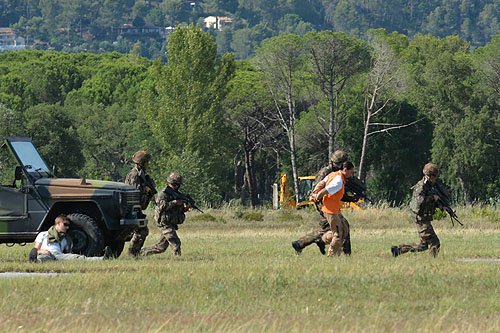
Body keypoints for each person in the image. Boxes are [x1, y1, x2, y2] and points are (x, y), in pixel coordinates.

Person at [291, 150, 354, 255]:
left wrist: (349, 198)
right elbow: (319, 189)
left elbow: (337, 192)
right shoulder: (326, 172)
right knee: (341, 227)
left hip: (329, 204)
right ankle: (345, 253)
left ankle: (301, 243)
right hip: (323, 204)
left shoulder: (339, 174)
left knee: (329, 229)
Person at [391, 163, 442, 258]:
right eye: (434, 176)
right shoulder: (421, 186)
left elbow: (431, 200)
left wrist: (440, 205)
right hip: (420, 218)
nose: (435, 178)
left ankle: (398, 250)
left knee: (423, 245)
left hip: (424, 217)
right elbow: (420, 200)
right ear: (430, 176)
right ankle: (433, 263)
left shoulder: (429, 185)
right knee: (434, 242)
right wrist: (432, 198)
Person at [140, 172, 191, 257]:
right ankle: (178, 260)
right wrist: (175, 202)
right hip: (164, 222)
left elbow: (177, 209)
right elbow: (161, 207)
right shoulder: (164, 193)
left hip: (171, 222)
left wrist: (185, 208)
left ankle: (141, 253)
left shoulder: (177, 194)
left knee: (161, 247)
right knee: (175, 242)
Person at [311, 161, 354, 256]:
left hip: (335, 209)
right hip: (331, 210)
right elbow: (326, 190)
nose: (351, 175)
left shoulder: (333, 174)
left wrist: (314, 191)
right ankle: (331, 255)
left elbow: (321, 183)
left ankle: (322, 240)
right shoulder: (338, 181)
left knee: (345, 228)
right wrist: (317, 196)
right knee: (338, 234)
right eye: (351, 172)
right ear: (345, 170)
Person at [28, 214, 112, 263]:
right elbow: (36, 250)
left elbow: (69, 253)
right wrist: (42, 251)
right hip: (46, 254)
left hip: (59, 256)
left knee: (79, 258)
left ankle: (103, 258)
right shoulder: (44, 234)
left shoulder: (66, 238)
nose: (67, 227)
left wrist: (72, 256)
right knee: (42, 258)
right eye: (65, 224)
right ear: (58, 223)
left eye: (68, 225)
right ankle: (34, 261)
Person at [125, 150, 157, 256]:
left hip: (136, 207)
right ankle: (133, 253)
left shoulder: (140, 174)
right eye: (146, 163)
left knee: (142, 230)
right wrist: (145, 189)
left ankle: (134, 253)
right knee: (142, 231)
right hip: (132, 207)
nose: (147, 165)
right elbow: (134, 192)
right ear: (141, 163)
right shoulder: (134, 175)